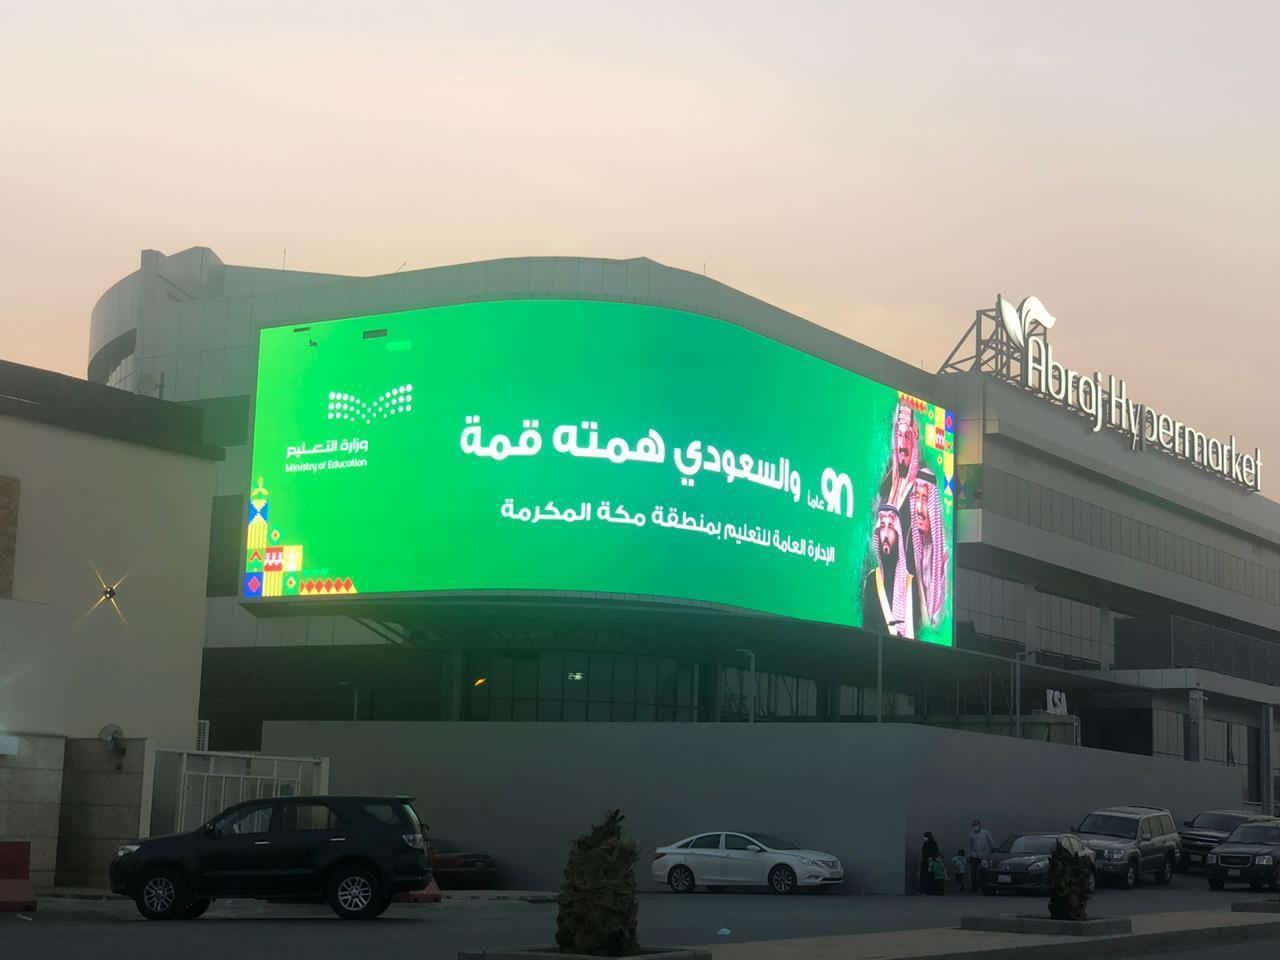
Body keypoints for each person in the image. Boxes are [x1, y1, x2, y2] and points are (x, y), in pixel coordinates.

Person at [862, 504, 920, 639]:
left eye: (891, 528)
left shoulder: (911, 584)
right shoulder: (871, 581)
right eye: (882, 527)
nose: (886, 535)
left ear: (898, 535)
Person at [910, 469, 949, 628]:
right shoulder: (911, 553)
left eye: (925, 499)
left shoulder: (945, 560)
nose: (919, 509)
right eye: (916, 497)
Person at [968, 819, 995, 893]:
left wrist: (992, 851)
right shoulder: (971, 834)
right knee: (973, 872)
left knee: (984, 871)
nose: (975, 827)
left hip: (984, 855)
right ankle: (974, 888)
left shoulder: (985, 833)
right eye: (974, 825)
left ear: (979, 825)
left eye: (976, 825)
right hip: (974, 855)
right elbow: (970, 846)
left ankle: (984, 887)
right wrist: (969, 855)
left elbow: (991, 842)